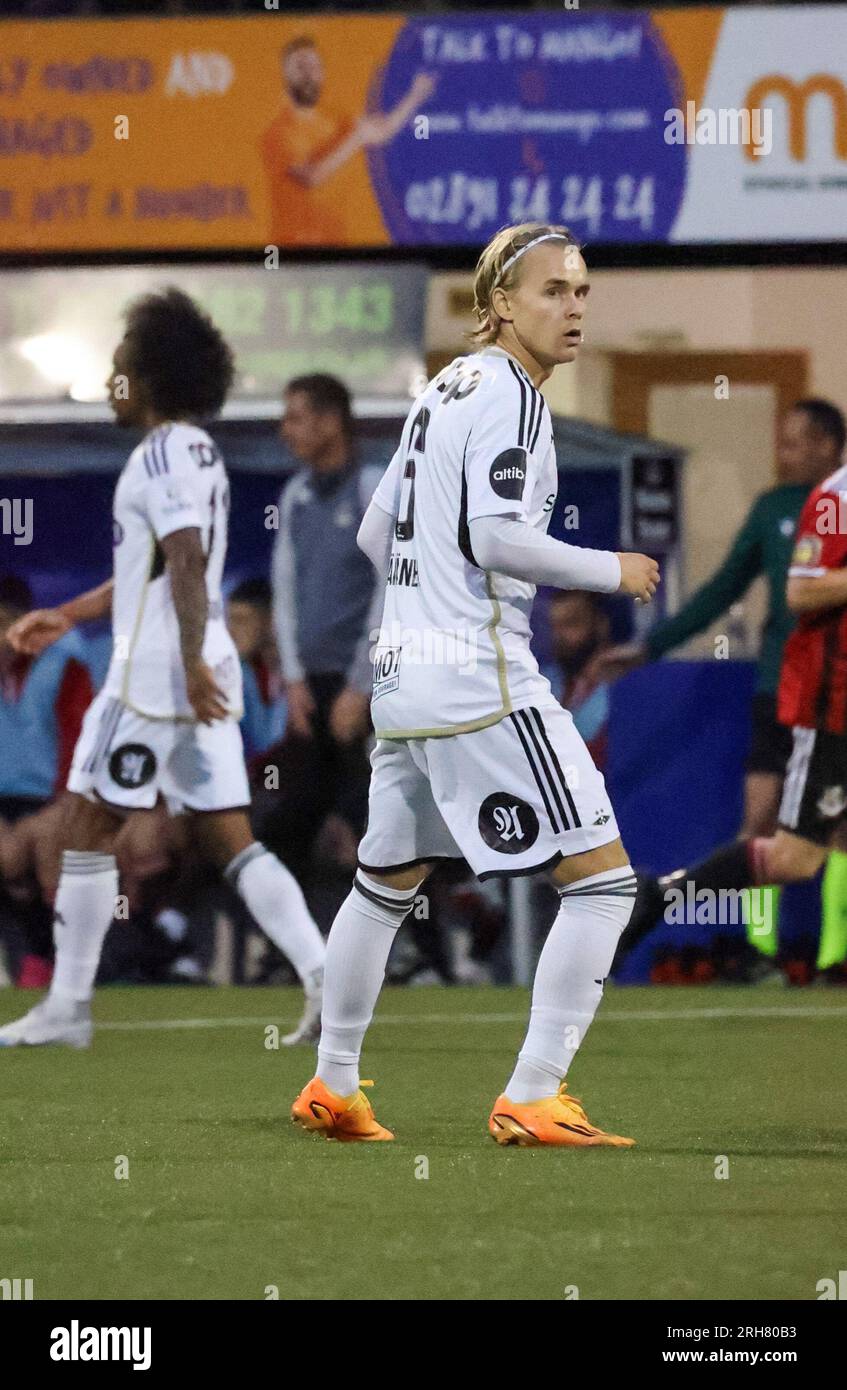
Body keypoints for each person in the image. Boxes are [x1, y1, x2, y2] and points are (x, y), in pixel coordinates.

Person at [290, 221, 659, 1146]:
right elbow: (495, 540)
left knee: (382, 884)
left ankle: (333, 1083)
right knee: (604, 884)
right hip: (480, 680)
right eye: (550, 291)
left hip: (404, 679)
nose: (572, 307)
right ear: (498, 304)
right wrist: (609, 567)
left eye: (580, 291)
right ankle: (534, 1093)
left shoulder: (438, 392)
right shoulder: (513, 397)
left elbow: (377, 537)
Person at [0, 289, 325, 1050]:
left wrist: (181, 661)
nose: (113, 381)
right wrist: (71, 616)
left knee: (84, 823)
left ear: (151, 376)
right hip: (195, 665)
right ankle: (325, 980)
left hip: (156, 674)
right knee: (230, 838)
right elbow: (152, 568)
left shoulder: (164, 450)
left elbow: (182, 557)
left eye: (120, 367)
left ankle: (69, 1008)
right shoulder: (199, 451)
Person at [618, 452, 847, 958]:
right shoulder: (838, 497)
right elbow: (803, 590)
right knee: (795, 859)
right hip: (834, 707)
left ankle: (833, 958)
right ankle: (662, 897)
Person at [258, 374, 382, 898]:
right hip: (314, 688)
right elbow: (284, 592)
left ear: (331, 422)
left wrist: (362, 683)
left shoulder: (373, 487)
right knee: (292, 825)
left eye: (295, 417)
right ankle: (301, 951)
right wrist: (292, 680)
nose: (285, 431)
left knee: (378, 821)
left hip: (371, 687)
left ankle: (429, 951)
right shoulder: (296, 495)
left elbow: (393, 588)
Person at [0, 576, 92, 986]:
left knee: (45, 850)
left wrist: (58, 810)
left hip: (51, 799)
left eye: (5, 623)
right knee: (8, 858)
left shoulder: (64, 663)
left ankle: (55, 962)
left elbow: (81, 744)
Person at [260, 36, 434, 247]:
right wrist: (356, 138)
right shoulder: (278, 132)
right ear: (286, 73)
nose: (308, 74)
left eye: (314, 66)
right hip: (293, 251)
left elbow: (382, 131)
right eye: (300, 66)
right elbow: (312, 176)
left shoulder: (336, 120)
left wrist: (415, 96)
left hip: (337, 247)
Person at [544, 590, 613, 768]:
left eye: (571, 624)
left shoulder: (622, 688)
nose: (559, 636)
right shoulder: (542, 681)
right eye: (555, 626)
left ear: (600, 625)